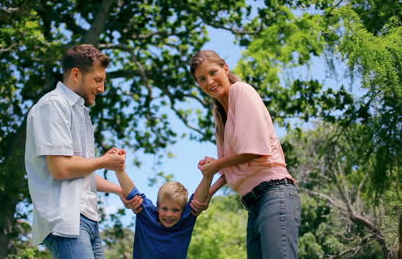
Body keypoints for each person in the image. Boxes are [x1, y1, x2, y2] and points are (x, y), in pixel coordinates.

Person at [25, 44, 142, 259]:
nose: (102, 88)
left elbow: (81, 172)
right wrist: (105, 162)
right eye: (97, 80)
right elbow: (61, 169)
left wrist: (118, 190)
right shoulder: (53, 105)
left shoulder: (80, 113)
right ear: (76, 74)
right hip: (66, 220)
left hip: (87, 218)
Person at [189, 50, 302, 259]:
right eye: (201, 79)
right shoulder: (219, 114)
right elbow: (230, 168)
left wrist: (216, 165)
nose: (209, 81)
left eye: (213, 72)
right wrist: (208, 195)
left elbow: (255, 151)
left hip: (274, 193)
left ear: (225, 68)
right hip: (253, 203)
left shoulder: (241, 91)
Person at [107, 148, 214, 259]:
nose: (169, 214)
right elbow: (133, 194)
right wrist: (119, 169)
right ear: (157, 207)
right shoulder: (147, 215)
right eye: (164, 208)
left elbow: (198, 200)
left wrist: (208, 176)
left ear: (183, 210)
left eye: (175, 210)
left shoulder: (185, 220)